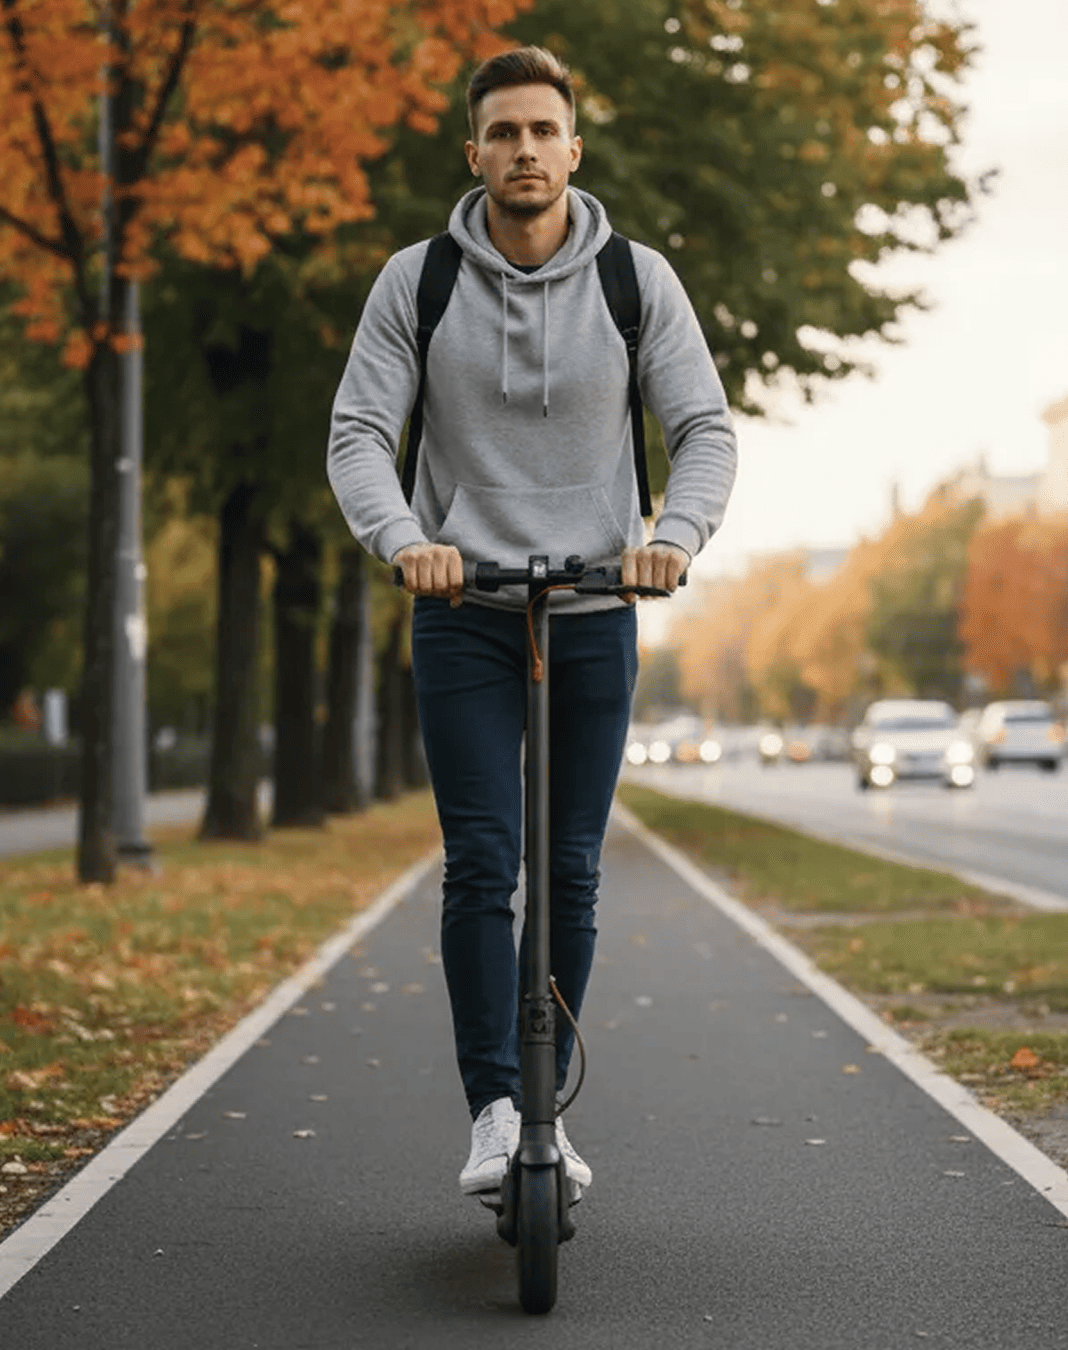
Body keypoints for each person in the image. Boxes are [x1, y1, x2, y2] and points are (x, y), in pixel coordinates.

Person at [327, 45, 737, 1202]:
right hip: (462, 611)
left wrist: (677, 534)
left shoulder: (636, 282)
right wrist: (407, 540)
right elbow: (360, 431)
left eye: (540, 132)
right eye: (501, 134)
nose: (522, 151)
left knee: (572, 870)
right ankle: (493, 1109)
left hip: (600, 605)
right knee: (481, 867)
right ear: (474, 154)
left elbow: (704, 426)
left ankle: (543, 1102)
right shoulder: (419, 283)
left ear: (573, 149)